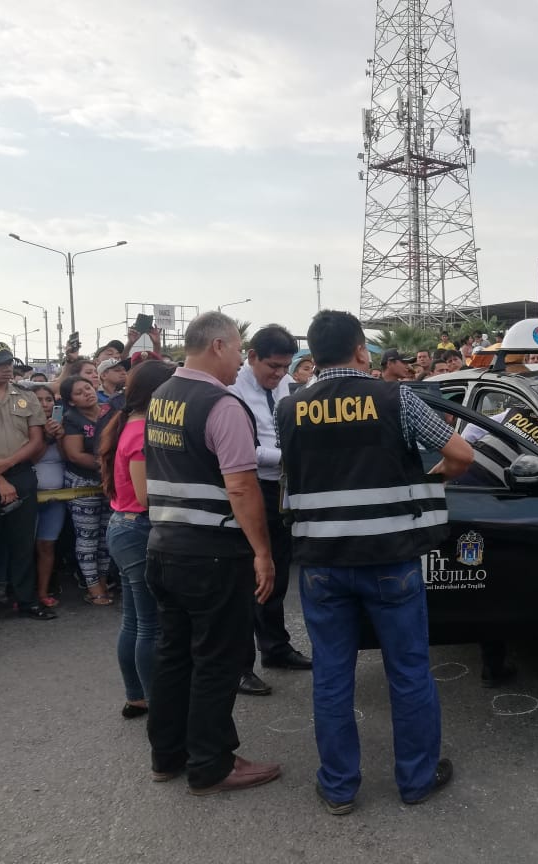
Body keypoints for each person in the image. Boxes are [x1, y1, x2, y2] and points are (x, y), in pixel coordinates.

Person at [277, 310, 475, 813]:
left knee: (332, 675)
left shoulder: (290, 409)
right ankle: (416, 780)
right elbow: (461, 455)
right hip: (391, 561)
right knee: (408, 671)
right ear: (362, 351)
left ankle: (339, 786)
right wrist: (434, 479)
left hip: (320, 565)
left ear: (313, 356)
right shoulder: (396, 398)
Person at [143, 311, 279, 795]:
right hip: (213, 556)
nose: (241, 360)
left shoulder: (161, 397)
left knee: (174, 656)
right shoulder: (221, 405)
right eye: (240, 350)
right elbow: (242, 487)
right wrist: (262, 552)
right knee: (217, 661)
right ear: (218, 346)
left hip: (163, 548)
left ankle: (168, 755)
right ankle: (211, 763)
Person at [229, 326, 313, 697]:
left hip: (281, 487)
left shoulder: (284, 387)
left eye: (284, 367)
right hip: (250, 486)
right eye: (272, 367)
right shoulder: (232, 390)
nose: (279, 374)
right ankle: (239, 665)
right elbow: (243, 450)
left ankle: (275, 648)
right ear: (251, 357)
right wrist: (292, 458)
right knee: (250, 577)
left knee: (276, 572)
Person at [100, 359, 176, 720]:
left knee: (133, 620)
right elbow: (148, 496)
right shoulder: (141, 432)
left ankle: (137, 696)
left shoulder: (126, 424)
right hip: (138, 528)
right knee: (149, 624)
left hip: (123, 526)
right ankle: (157, 702)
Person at [0, 342, 55, 636]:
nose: (7, 368)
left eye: (8, 363)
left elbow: (36, 440)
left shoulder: (26, 396)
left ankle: (28, 602)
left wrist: (9, 464)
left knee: (21, 542)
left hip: (20, 473)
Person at [59, 375, 114, 605]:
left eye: (88, 388)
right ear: (71, 401)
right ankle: (93, 587)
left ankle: (102, 579)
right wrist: (106, 465)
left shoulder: (108, 411)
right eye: (79, 392)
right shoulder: (71, 418)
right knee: (87, 536)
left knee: (105, 536)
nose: (88, 393)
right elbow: (74, 454)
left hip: (109, 482)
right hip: (84, 482)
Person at [29, 384, 66, 608]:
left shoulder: (61, 425)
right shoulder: (23, 426)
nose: (44, 404)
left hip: (56, 498)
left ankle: (43, 592)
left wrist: (60, 437)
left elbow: (68, 457)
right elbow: (30, 460)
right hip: (29, 496)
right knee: (24, 547)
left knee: (47, 545)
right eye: (38, 400)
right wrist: (46, 438)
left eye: (48, 400)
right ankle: (24, 593)